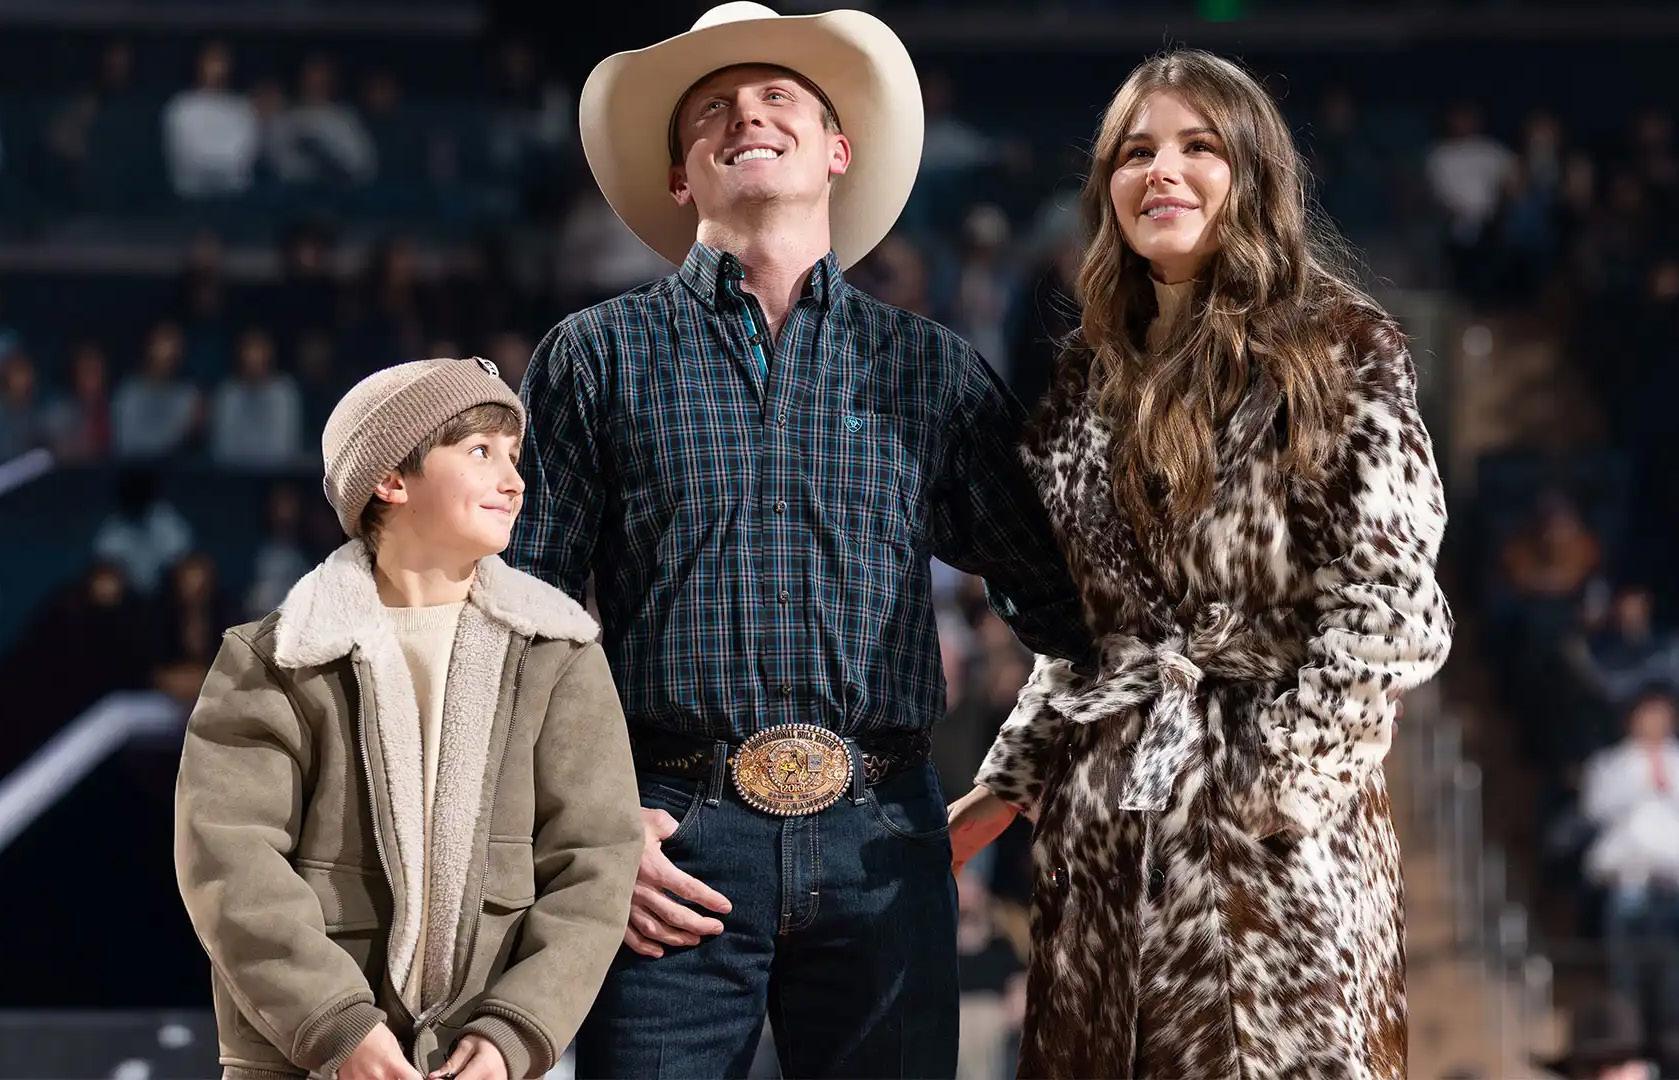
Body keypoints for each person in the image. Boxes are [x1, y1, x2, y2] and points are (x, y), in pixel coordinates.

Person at [510, 5, 1087, 1077]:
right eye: (712, 111)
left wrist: (1016, 781)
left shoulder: (933, 371)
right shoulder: (592, 357)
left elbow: (1070, 607)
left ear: (836, 151)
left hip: (885, 837)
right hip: (664, 839)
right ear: (679, 176)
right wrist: (587, 828)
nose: (747, 117)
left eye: (779, 98)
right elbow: (521, 621)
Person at [947, 50, 1453, 1076]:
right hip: (1103, 837)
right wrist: (996, 796)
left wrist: (1272, 788)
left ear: (1252, 174)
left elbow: (1391, 605)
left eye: (1197, 147)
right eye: (1135, 153)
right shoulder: (1089, 380)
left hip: (1267, 849)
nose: (1160, 172)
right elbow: (1089, 640)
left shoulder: (1337, 350)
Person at [174, 357, 642, 1079]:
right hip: (302, 1057)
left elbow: (595, 861)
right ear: (390, 480)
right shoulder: (279, 656)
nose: (514, 481)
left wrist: (514, 1032)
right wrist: (338, 1026)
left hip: (481, 1058)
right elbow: (227, 860)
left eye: (514, 456)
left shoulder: (559, 653)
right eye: (480, 451)